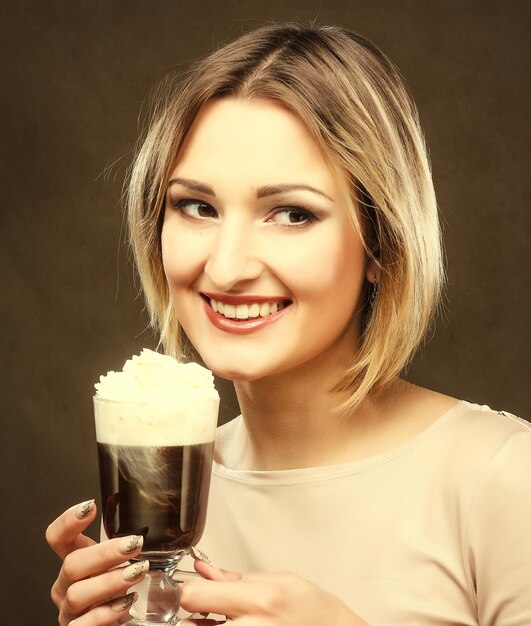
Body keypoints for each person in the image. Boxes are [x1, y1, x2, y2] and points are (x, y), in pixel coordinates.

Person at [46, 23, 531, 625]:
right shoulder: (156, 501)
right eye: (197, 206)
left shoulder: (506, 481)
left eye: (292, 214)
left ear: (382, 244)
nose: (226, 266)